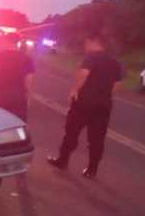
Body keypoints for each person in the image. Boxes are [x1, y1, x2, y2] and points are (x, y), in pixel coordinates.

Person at [47, 33, 123, 179]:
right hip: (103, 105)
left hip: (84, 102)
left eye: (86, 43)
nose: (85, 47)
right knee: (97, 138)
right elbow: (117, 84)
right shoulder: (115, 62)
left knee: (71, 132)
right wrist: (105, 95)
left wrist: (74, 90)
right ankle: (91, 170)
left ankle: (62, 160)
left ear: (92, 41)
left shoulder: (91, 57)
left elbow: (84, 74)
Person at [0, 34, 35, 121]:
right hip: (18, 98)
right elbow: (29, 83)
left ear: (6, 41)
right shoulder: (27, 59)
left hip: (0, 95)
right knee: (16, 125)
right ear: (18, 43)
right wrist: (28, 100)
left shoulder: (0, 56)